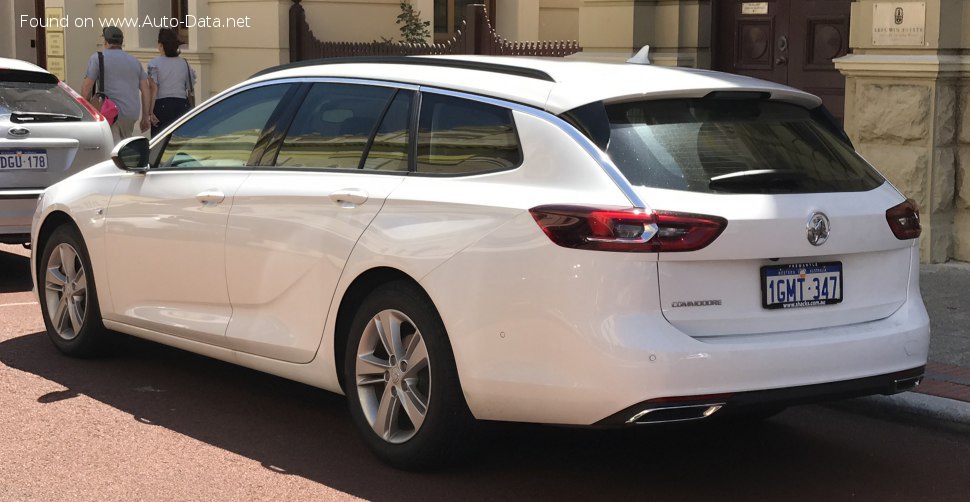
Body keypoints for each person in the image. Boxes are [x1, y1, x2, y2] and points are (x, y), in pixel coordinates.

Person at [81, 26, 151, 142]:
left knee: (114, 149)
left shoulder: (98, 58)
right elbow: (146, 90)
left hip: (110, 112)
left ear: (106, 41)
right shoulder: (134, 61)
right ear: (121, 42)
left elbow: (87, 88)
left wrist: (84, 110)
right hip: (131, 113)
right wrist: (145, 117)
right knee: (125, 145)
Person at [147, 29, 196, 137]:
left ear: (161, 45)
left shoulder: (154, 64)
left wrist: (150, 112)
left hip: (162, 105)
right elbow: (190, 89)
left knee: (160, 140)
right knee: (180, 139)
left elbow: (153, 89)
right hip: (181, 104)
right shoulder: (184, 63)